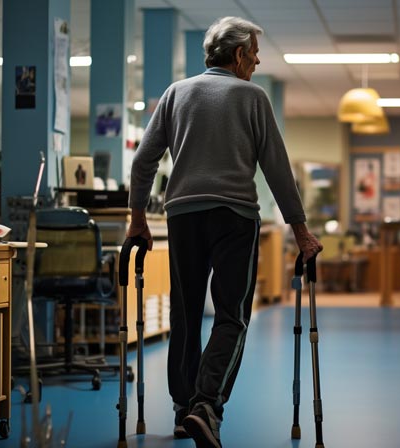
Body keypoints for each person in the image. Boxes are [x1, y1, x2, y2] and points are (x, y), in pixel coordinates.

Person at [126, 16, 322, 448]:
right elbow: (277, 170)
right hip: (235, 215)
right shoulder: (253, 96)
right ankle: (206, 406)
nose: (256, 62)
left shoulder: (176, 93)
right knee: (231, 314)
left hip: (183, 216)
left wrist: (138, 218)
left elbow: (143, 161)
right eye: (253, 55)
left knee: (185, 312)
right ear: (238, 56)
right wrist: (302, 232)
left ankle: (182, 412)